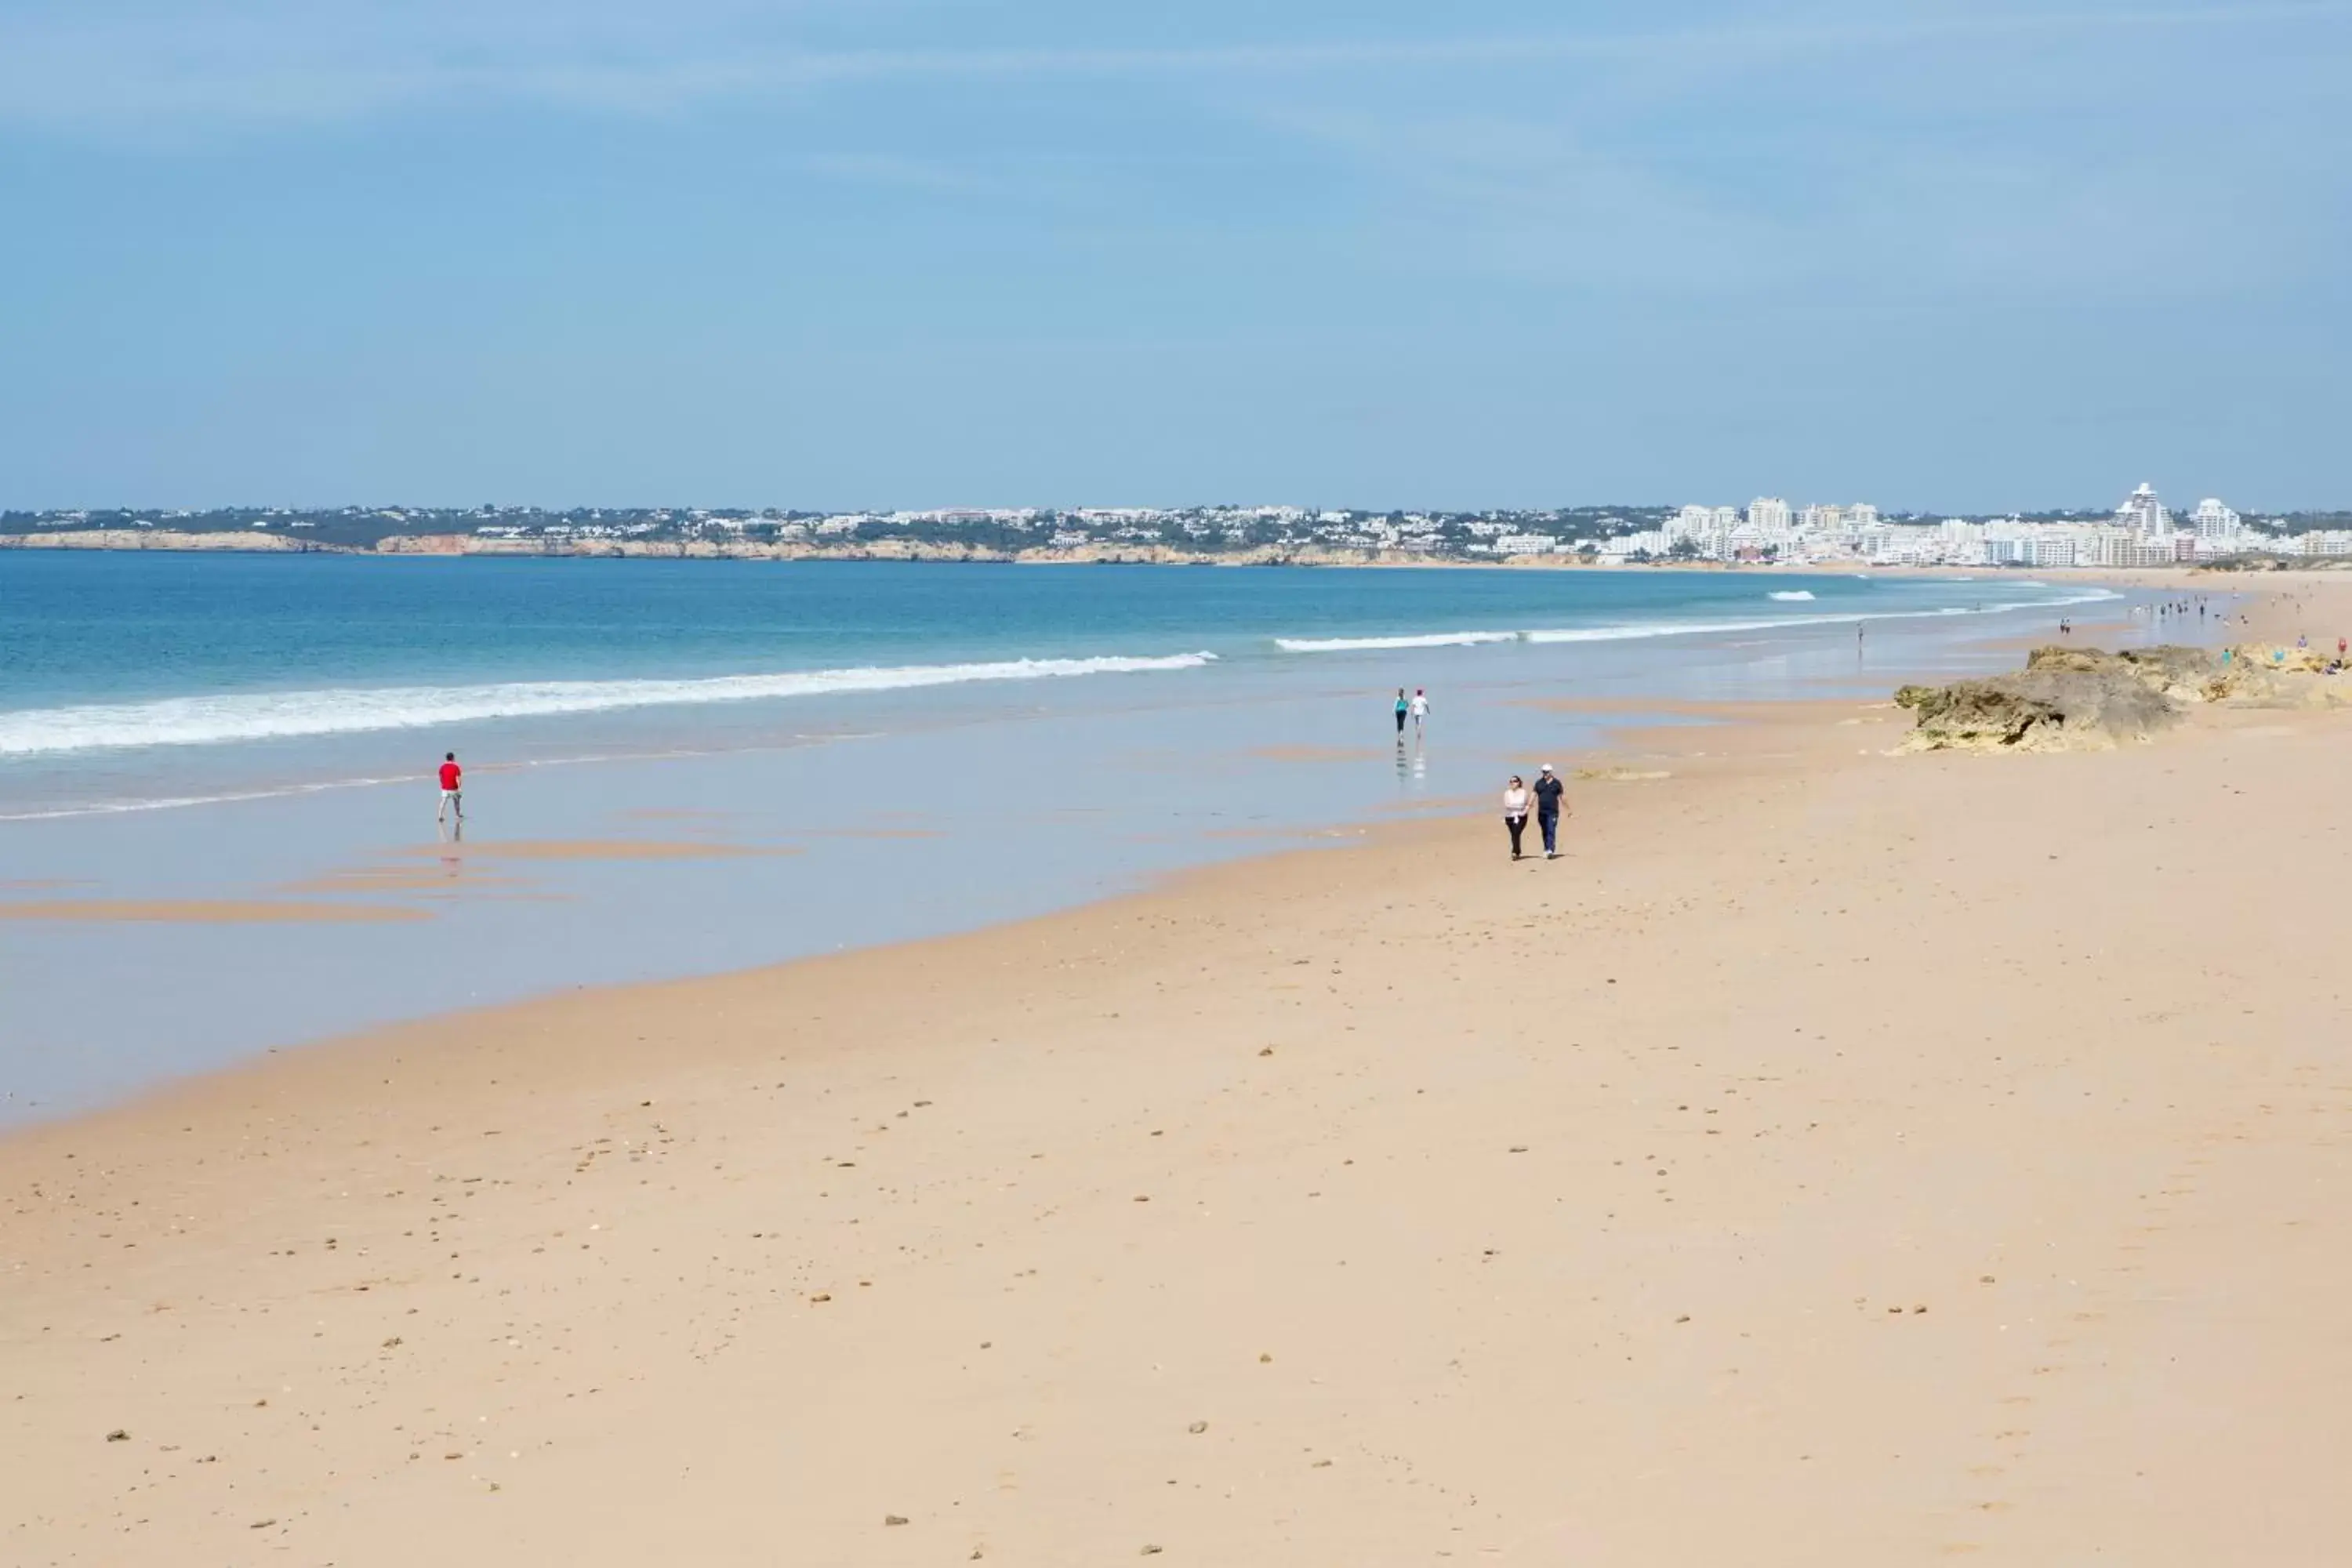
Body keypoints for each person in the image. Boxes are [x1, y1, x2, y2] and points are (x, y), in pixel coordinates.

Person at [1532, 763, 1569, 859]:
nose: (1545, 774)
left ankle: (1550, 850)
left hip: (1553, 812)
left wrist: (1568, 809)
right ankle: (1546, 848)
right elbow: (1534, 794)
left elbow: (1562, 796)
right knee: (1544, 830)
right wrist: (1528, 806)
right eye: (1543, 772)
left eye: (1547, 772)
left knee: (1551, 830)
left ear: (1551, 772)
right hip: (1541, 812)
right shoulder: (1539, 783)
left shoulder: (1557, 783)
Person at [1501, 775, 1530, 860]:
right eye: (1511, 781)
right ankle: (1517, 851)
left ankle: (1514, 852)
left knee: (1516, 832)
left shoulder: (1523, 792)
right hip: (1510, 817)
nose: (1513, 783)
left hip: (1521, 817)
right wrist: (1519, 807)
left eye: (1515, 781)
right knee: (1514, 834)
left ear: (1519, 782)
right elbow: (1507, 805)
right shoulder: (1507, 793)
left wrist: (1524, 811)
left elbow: (1528, 804)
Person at [436, 751, 463, 826]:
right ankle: (457, 815)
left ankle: (440, 816)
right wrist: (459, 788)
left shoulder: (442, 767)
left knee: (443, 802)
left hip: (445, 788)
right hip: (453, 788)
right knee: (456, 801)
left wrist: (442, 784)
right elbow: (458, 779)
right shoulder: (456, 767)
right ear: (453, 758)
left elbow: (441, 777)